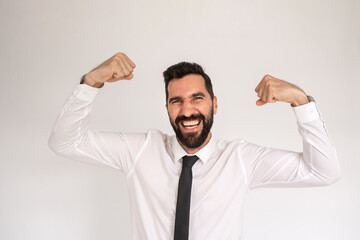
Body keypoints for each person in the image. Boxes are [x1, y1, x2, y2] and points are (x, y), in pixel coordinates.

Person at [48, 52, 341, 240]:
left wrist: (301, 102)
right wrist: (90, 83)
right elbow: (65, 142)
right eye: (177, 101)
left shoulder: (240, 159)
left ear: (214, 104)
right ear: (167, 108)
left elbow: (324, 172)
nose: (187, 110)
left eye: (197, 98)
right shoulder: (140, 150)